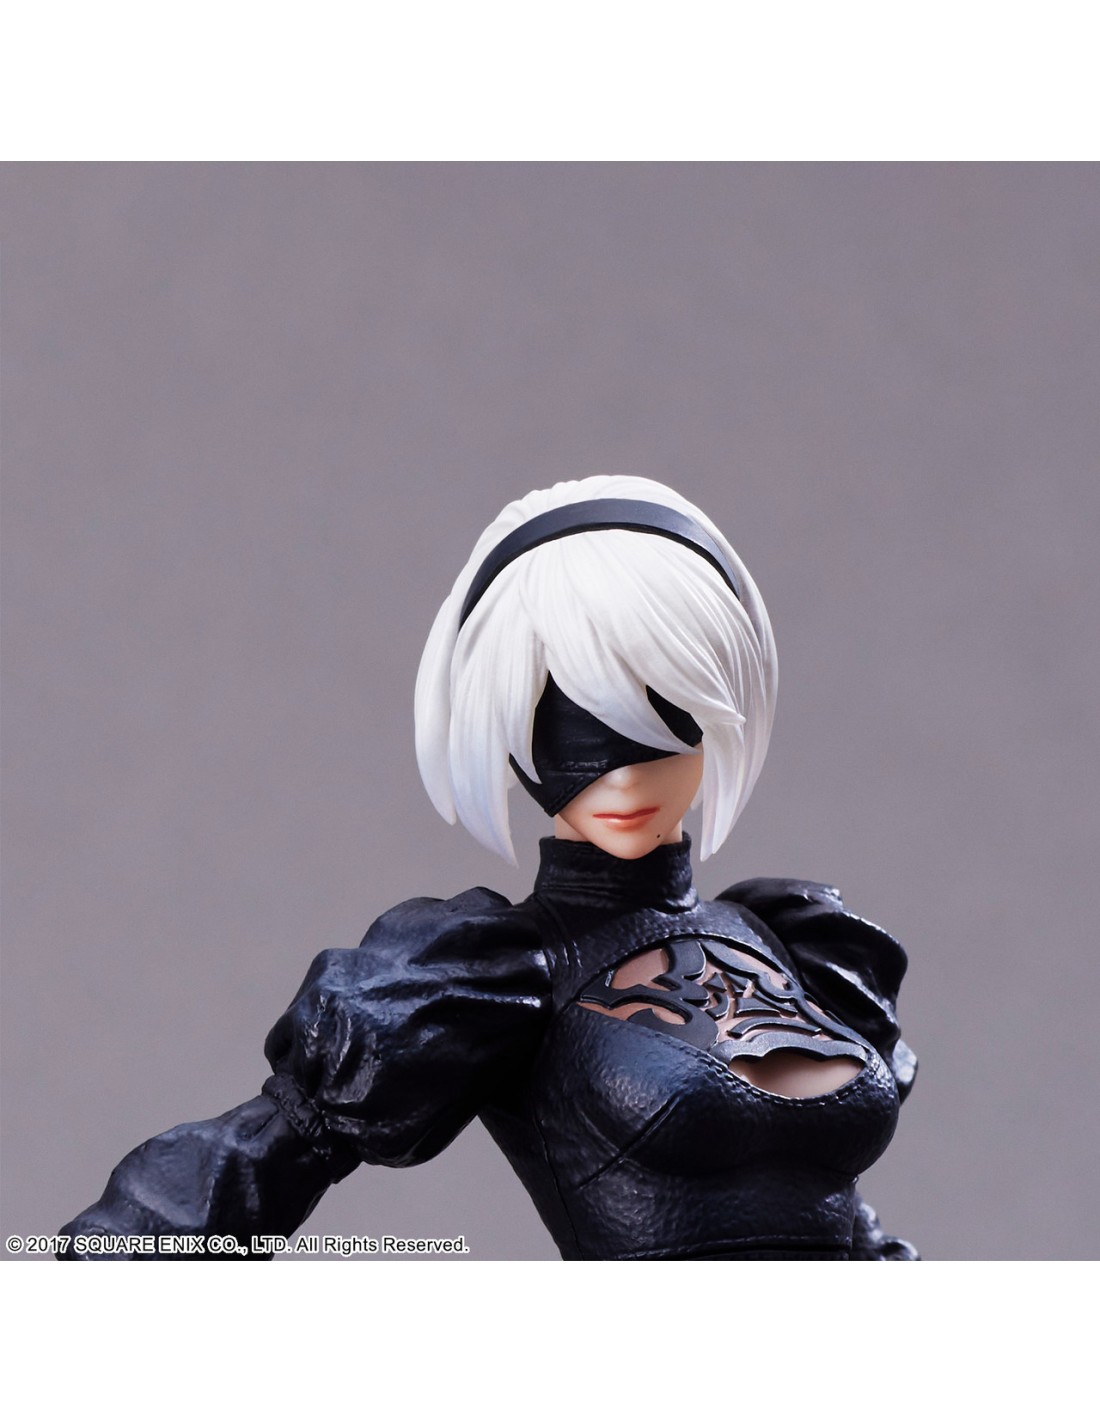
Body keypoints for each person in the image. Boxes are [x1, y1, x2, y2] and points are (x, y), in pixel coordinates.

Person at [60, 476, 917, 1260]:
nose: (622, 777)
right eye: (569, 723)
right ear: (508, 725)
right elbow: (256, 1157)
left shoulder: (789, 944)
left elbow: (837, 1214)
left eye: (663, 718)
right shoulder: (501, 971)